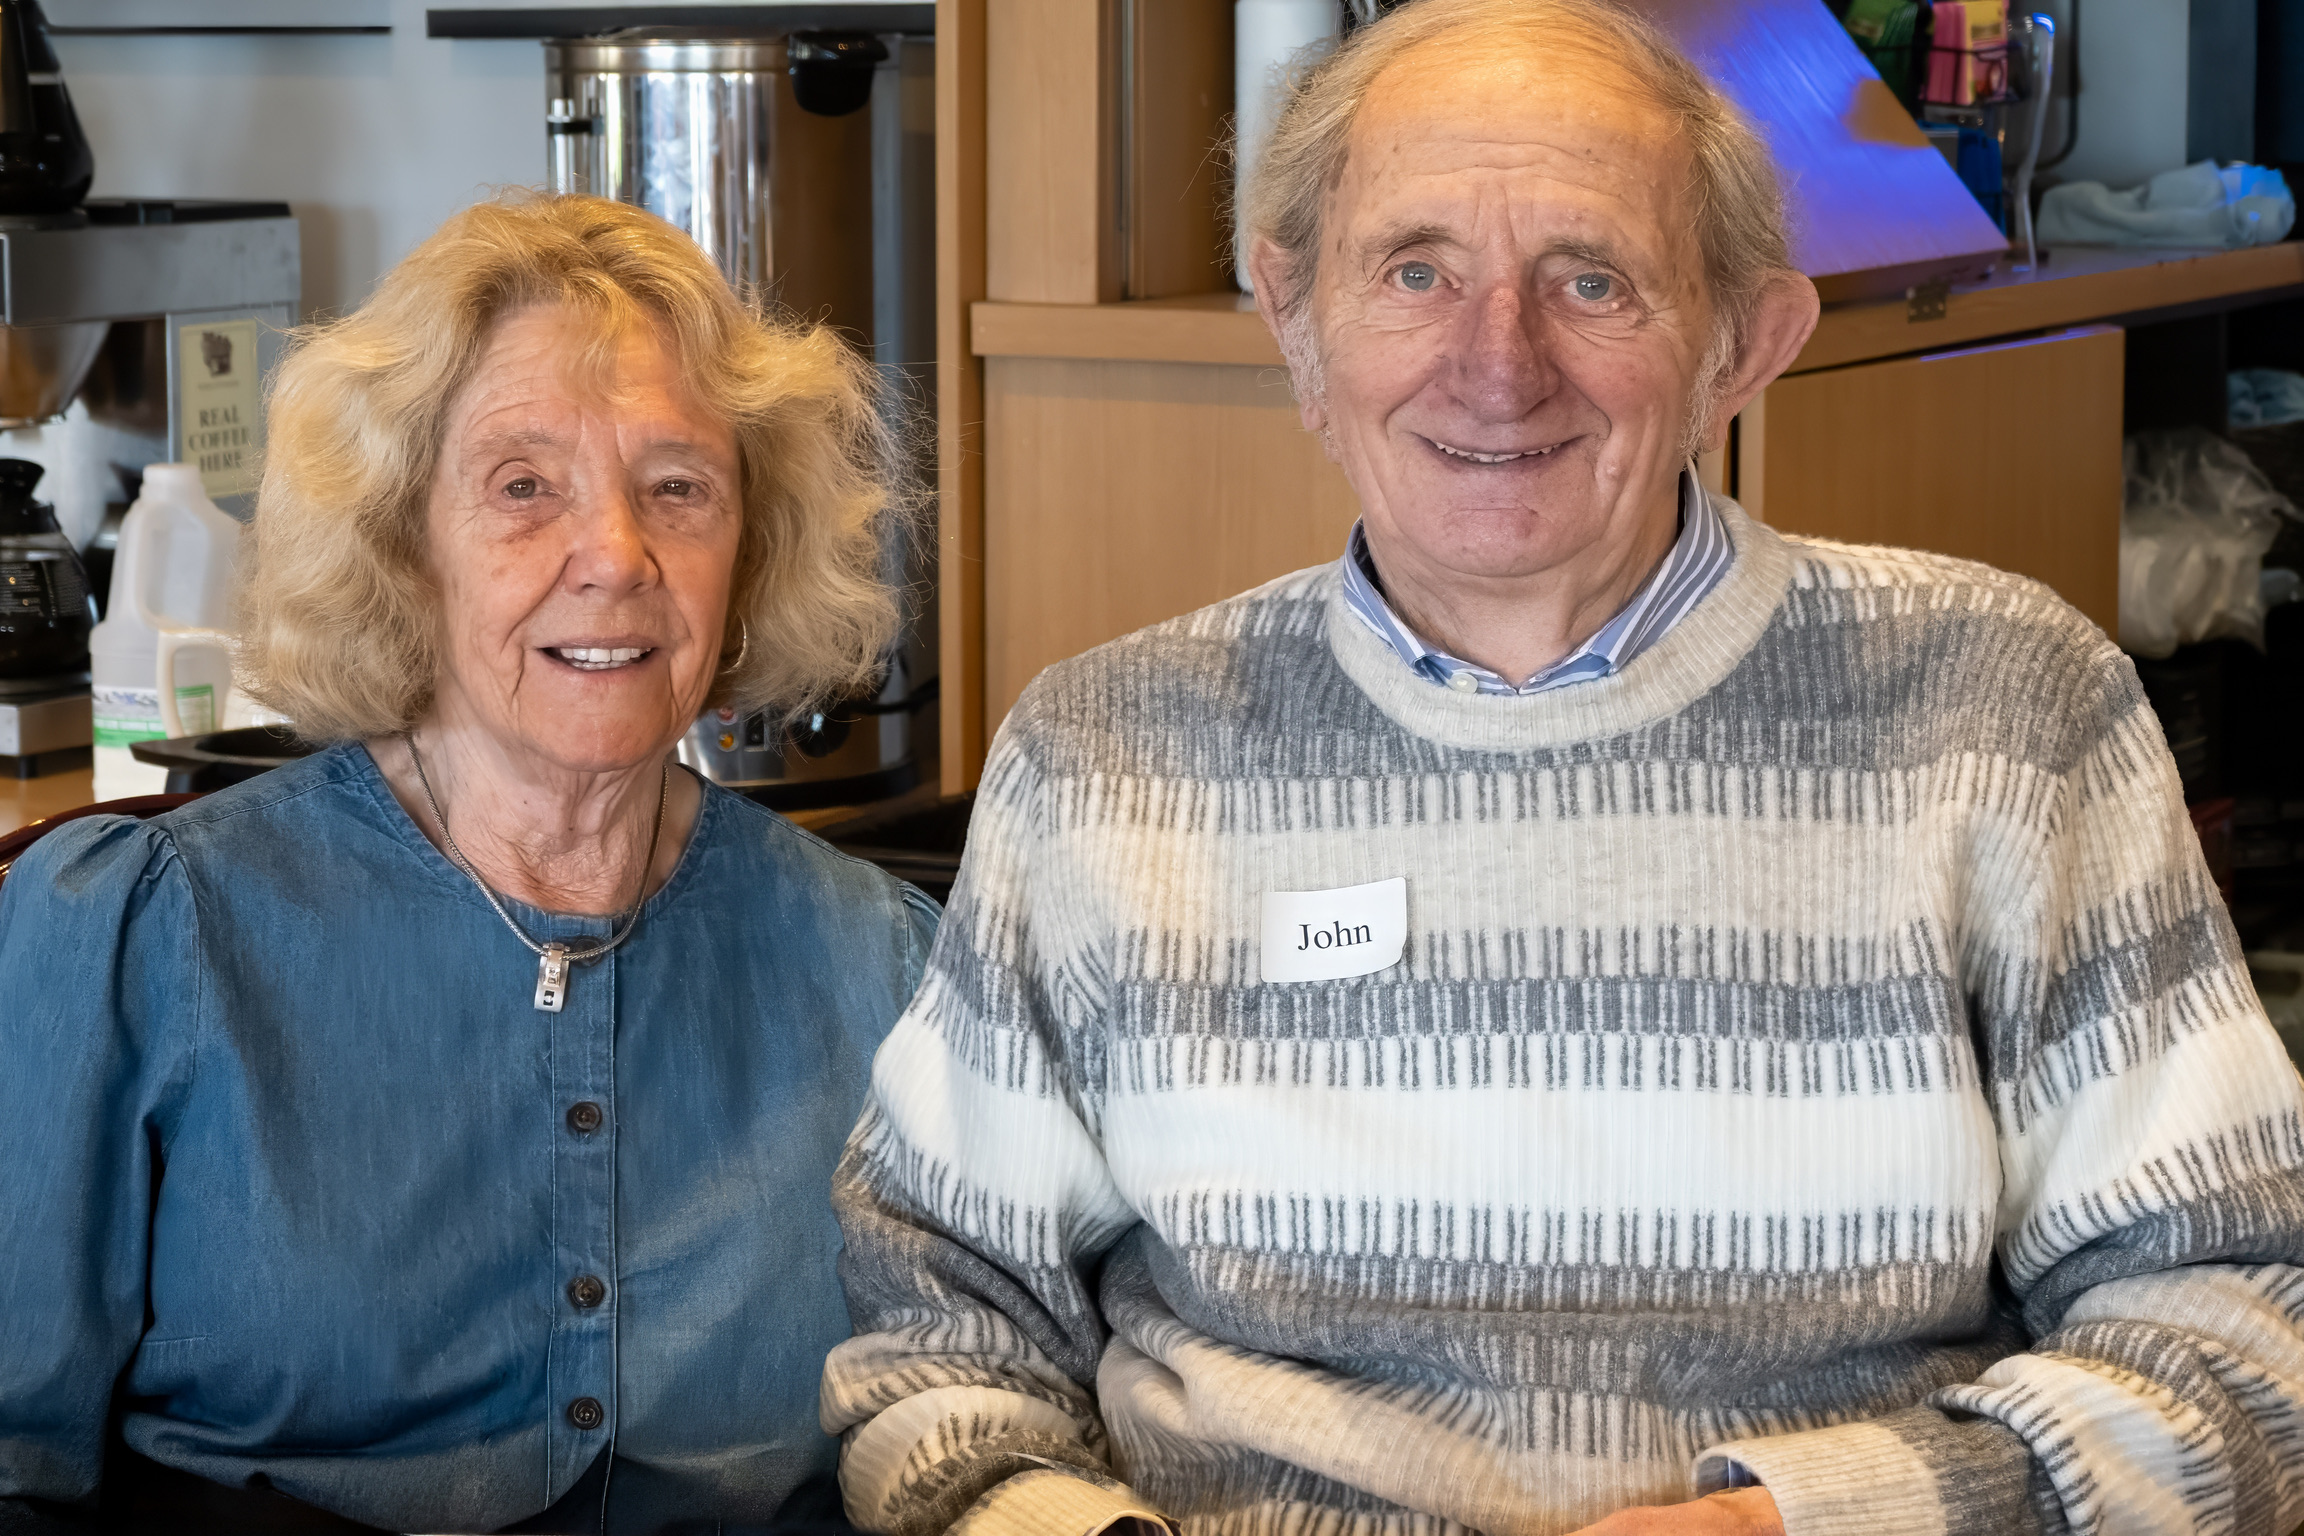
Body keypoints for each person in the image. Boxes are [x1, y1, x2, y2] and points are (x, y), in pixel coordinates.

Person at [820, 3, 2304, 1534]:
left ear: (1743, 344)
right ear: (1297, 321)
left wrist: (1777, 1526)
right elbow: (937, 1340)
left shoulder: (2004, 710)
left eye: (1591, 279)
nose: (1496, 365)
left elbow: (2241, 1341)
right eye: (1416, 272)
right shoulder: (1107, 755)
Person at [0, 193, 934, 1535]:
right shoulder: (149, 936)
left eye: (679, 487)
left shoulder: (882, 965)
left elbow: (954, 1423)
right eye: (522, 486)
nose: (616, 556)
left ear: (753, 546)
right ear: (402, 541)